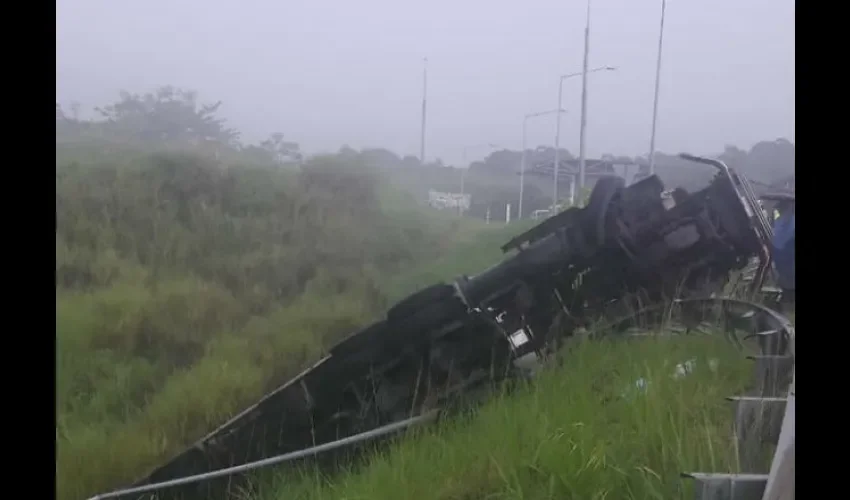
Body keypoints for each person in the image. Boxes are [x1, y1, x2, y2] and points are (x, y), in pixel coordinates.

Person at [771, 199, 795, 306]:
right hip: (784, 254)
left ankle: (788, 296)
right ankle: (788, 296)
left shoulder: (780, 221)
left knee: (787, 275)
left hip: (783, 253)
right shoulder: (780, 221)